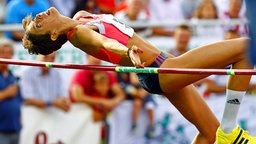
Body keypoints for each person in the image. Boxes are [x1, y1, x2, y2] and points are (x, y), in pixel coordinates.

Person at [22, 7, 256, 143]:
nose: (39, 18)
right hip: (161, 71)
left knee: (208, 134)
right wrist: (126, 51)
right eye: (39, 26)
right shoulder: (79, 34)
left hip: (161, 67)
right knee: (246, 47)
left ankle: (224, 133)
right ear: (54, 35)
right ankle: (229, 131)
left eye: (36, 21)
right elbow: (102, 40)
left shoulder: (81, 17)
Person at [117, 72, 156, 139]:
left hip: (144, 92)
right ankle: (134, 124)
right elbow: (133, 82)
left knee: (150, 106)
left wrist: (144, 91)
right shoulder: (129, 74)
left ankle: (151, 126)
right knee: (137, 103)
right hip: (136, 92)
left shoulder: (143, 72)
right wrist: (138, 92)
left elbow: (148, 85)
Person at [0, 38, 22, 144]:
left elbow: (19, 101)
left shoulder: (13, 76)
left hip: (15, 129)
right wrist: (6, 93)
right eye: (3, 53)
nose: (6, 56)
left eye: (9, 54)